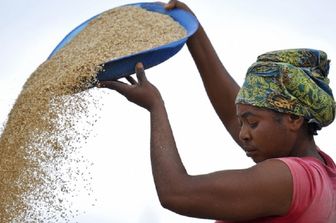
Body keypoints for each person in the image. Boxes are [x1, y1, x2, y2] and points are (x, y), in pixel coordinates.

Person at [98, 1, 336, 222]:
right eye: (243, 122)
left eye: (252, 123)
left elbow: (176, 193)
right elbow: (232, 111)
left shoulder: (288, 179)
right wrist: (193, 32)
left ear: (294, 118)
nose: (243, 134)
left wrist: (155, 107)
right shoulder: (324, 172)